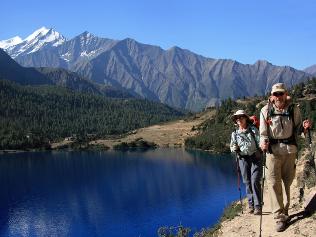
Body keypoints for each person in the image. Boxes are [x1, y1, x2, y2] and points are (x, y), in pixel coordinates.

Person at [259, 83, 312, 232]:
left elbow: (298, 128)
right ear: (271, 96)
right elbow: (262, 133)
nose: (278, 97)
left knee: (287, 183)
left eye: (280, 94)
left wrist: (305, 128)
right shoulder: (265, 110)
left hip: (289, 151)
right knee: (274, 183)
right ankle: (279, 217)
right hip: (272, 153)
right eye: (275, 94)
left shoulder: (293, 109)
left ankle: (286, 211)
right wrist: (263, 143)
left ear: (285, 94)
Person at [230, 110, 262, 215]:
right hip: (242, 159)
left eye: (241, 117)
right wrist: (234, 148)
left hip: (255, 158)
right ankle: (251, 205)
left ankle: (258, 206)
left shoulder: (253, 130)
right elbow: (231, 147)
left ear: (245, 118)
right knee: (247, 182)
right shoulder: (235, 134)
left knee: (254, 181)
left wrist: (262, 150)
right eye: (236, 118)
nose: (238, 119)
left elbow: (260, 142)